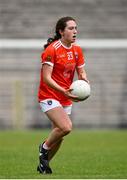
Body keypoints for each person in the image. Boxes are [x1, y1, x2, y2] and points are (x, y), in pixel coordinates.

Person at [37, 16, 89, 174]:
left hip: (66, 96)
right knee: (66, 127)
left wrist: (84, 79)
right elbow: (46, 78)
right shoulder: (52, 49)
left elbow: (81, 70)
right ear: (61, 31)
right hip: (49, 94)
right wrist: (63, 91)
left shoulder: (77, 50)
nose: (75, 31)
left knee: (60, 136)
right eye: (71, 28)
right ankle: (44, 147)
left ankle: (43, 166)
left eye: (76, 28)